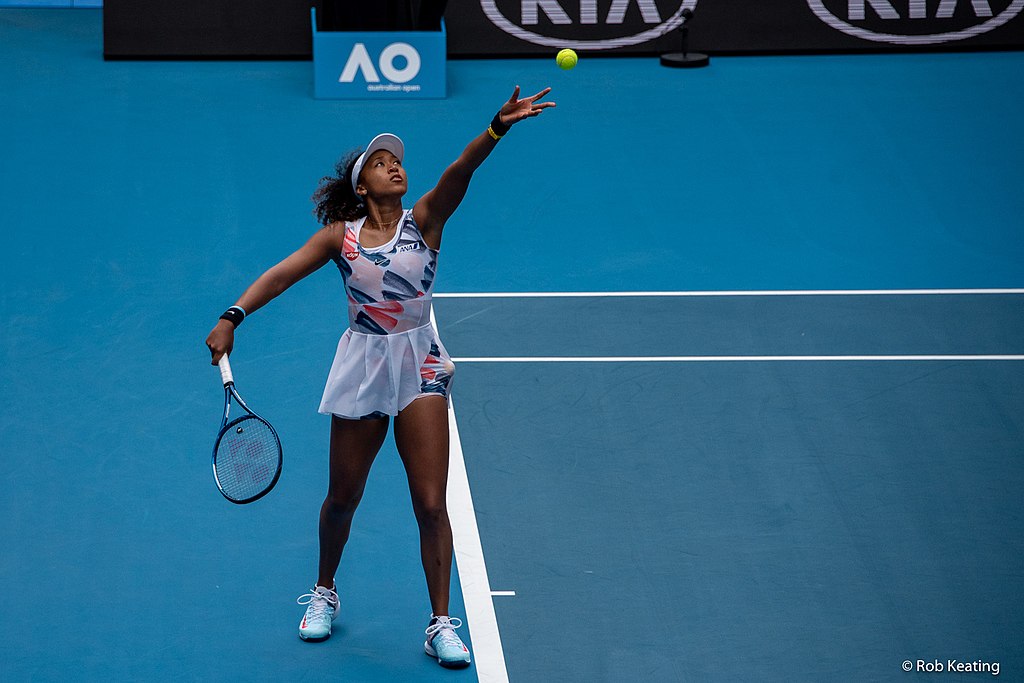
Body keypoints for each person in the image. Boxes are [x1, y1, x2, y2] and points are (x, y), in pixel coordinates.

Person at [204, 85, 555, 669]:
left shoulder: (426, 220)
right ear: (361, 188)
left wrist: (497, 127)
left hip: (419, 362)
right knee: (343, 497)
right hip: (365, 364)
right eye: (380, 164)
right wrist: (232, 315)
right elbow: (281, 274)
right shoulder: (338, 238)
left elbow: (460, 170)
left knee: (430, 503)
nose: (395, 167)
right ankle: (324, 591)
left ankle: (440, 621)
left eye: (397, 161)